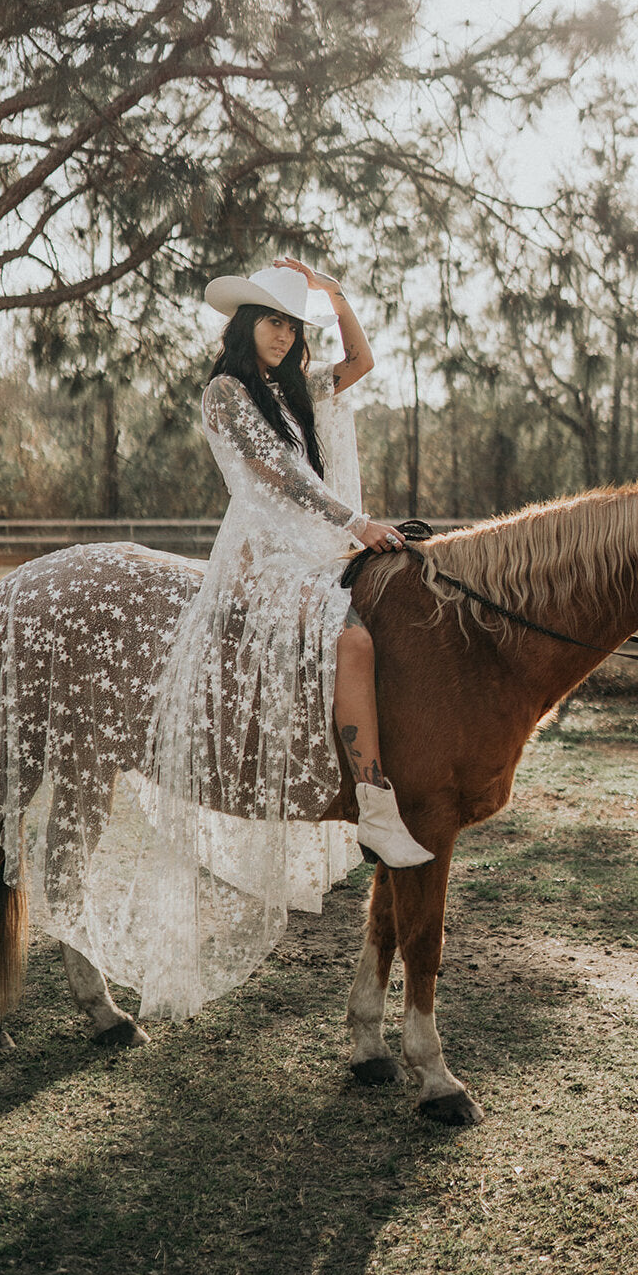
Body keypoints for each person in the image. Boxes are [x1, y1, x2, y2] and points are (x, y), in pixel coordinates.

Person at [200, 256, 434, 870]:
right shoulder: (225, 393)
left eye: (294, 326)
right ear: (247, 322)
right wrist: (357, 524)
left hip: (309, 548)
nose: (285, 335)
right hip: (261, 557)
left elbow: (362, 363)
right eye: (274, 321)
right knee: (352, 642)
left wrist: (333, 293)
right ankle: (377, 812)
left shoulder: (295, 391)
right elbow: (279, 475)